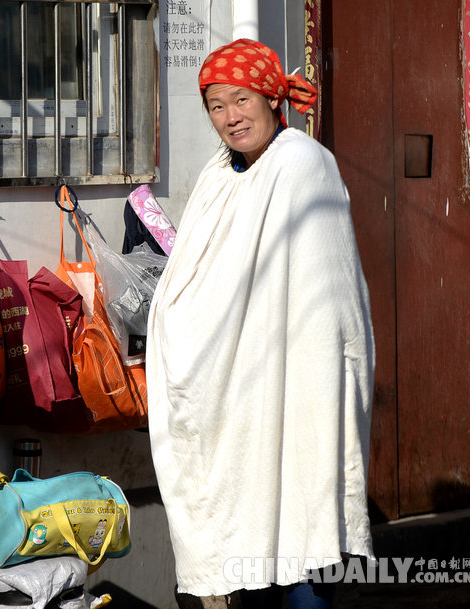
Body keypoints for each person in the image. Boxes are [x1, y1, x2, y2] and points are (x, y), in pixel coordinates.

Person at [145, 38, 375, 609]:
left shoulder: (300, 164)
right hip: (235, 387)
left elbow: (321, 295)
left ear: (273, 99)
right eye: (216, 106)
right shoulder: (220, 174)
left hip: (298, 378)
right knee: (252, 543)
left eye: (242, 100)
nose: (230, 117)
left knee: (299, 528)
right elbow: (196, 277)